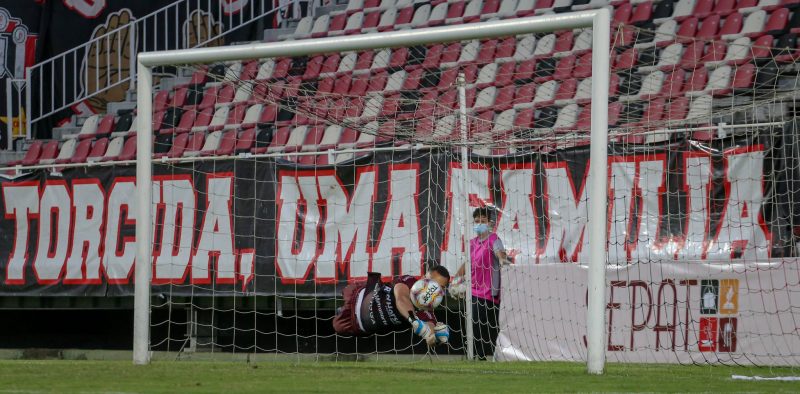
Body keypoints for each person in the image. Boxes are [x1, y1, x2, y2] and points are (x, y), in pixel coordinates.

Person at [333, 266, 451, 347]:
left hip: (357, 326)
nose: (435, 290)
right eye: (433, 283)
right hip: (358, 298)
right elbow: (401, 298)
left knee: (337, 327)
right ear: (424, 278)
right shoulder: (409, 281)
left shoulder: (428, 314)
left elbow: (430, 332)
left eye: (441, 287)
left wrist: (435, 339)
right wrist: (413, 320)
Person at [455, 207, 508, 360]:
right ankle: (478, 356)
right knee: (473, 325)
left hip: (489, 292)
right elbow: (467, 264)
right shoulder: (471, 243)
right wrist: (455, 279)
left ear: (490, 223)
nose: (479, 224)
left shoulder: (494, 239)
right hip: (472, 290)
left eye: (482, 221)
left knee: (486, 325)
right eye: (477, 221)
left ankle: (490, 354)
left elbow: (500, 254)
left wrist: (502, 258)